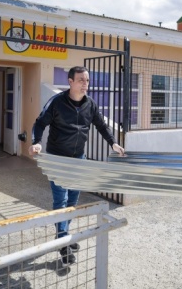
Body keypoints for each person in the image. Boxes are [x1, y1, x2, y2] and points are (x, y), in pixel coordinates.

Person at [28, 66, 125, 265]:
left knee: (73, 199)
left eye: (87, 80)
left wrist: (113, 142)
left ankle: (62, 233)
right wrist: (36, 141)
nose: (85, 84)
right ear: (70, 82)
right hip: (57, 159)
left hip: (78, 158)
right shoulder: (56, 102)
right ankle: (63, 243)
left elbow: (101, 125)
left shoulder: (90, 104)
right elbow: (39, 123)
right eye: (81, 80)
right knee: (60, 200)